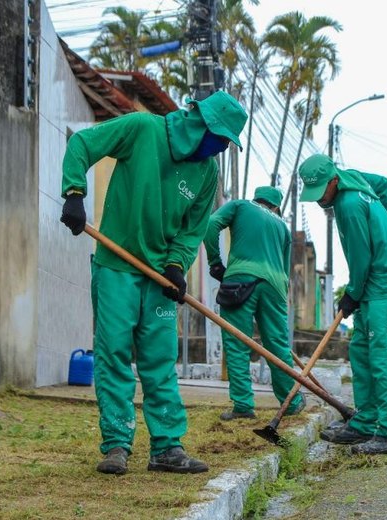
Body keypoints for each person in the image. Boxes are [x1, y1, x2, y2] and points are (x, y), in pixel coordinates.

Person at [59, 91, 248, 475]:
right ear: (203, 124)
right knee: (112, 353)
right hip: (117, 265)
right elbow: (82, 143)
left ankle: (166, 447)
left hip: (159, 276)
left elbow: (192, 229)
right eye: (223, 139)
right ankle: (116, 444)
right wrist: (74, 192)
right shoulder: (142, 128)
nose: (223, 148)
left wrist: (177, 266)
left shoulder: (206, 171)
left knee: (160, 360)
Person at [297, 154, 387, 455]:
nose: (319, 201)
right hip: (375, 283)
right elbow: (383, 184)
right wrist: (382, 220)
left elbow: (360, 258)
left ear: (334, 180)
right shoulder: (355, 177)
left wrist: (352, 293)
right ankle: (365, 421)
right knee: (361, 351)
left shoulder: (348, 205)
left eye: (321, 193)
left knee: (382, 355)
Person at [204, 185, 305, 421]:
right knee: (278, 346)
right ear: (276, 206)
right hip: (276, 286)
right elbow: (285, 269)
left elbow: (210, 225)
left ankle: (243, 405)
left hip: (241, 279)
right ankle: (291, 403)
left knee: (238, 342)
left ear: (256, 198)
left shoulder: (240, 205)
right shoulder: (282, 226)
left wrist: (215, 263)